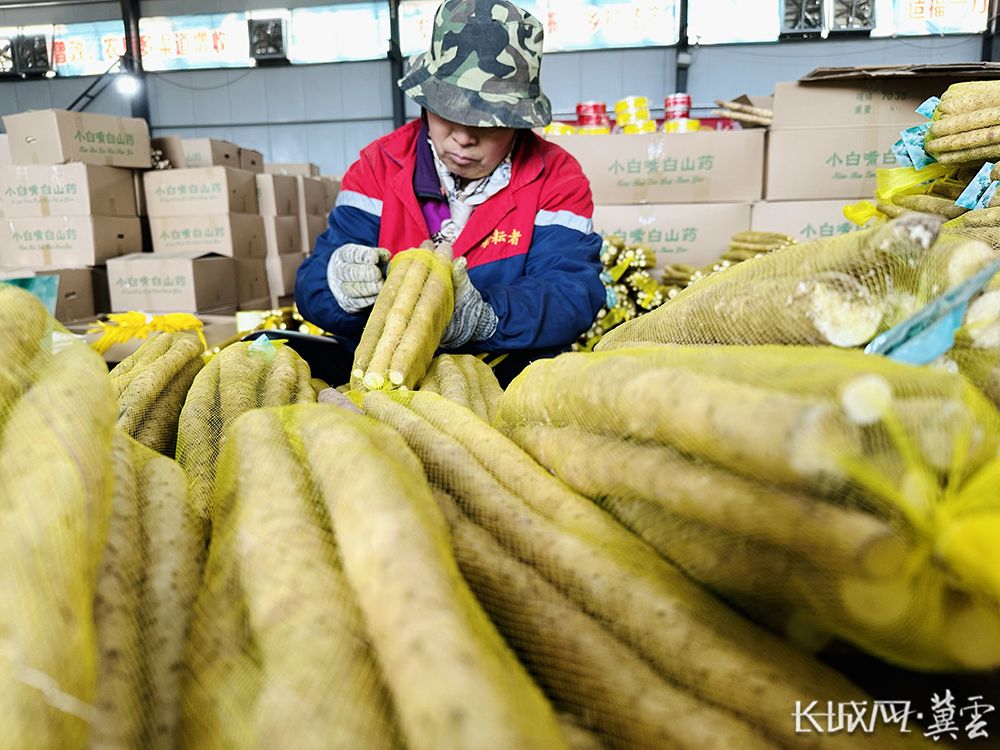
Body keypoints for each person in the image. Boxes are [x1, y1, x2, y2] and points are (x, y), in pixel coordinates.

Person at [295, 0, 604, 381]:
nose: (463, 137)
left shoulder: (556, 178)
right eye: (447, 112)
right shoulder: (380, 166)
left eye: (487, 122)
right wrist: (337, 287)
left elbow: (572, 294)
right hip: (381, 372)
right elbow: (312, 286)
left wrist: (485, 317)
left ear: (519, 121)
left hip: (503, 374)